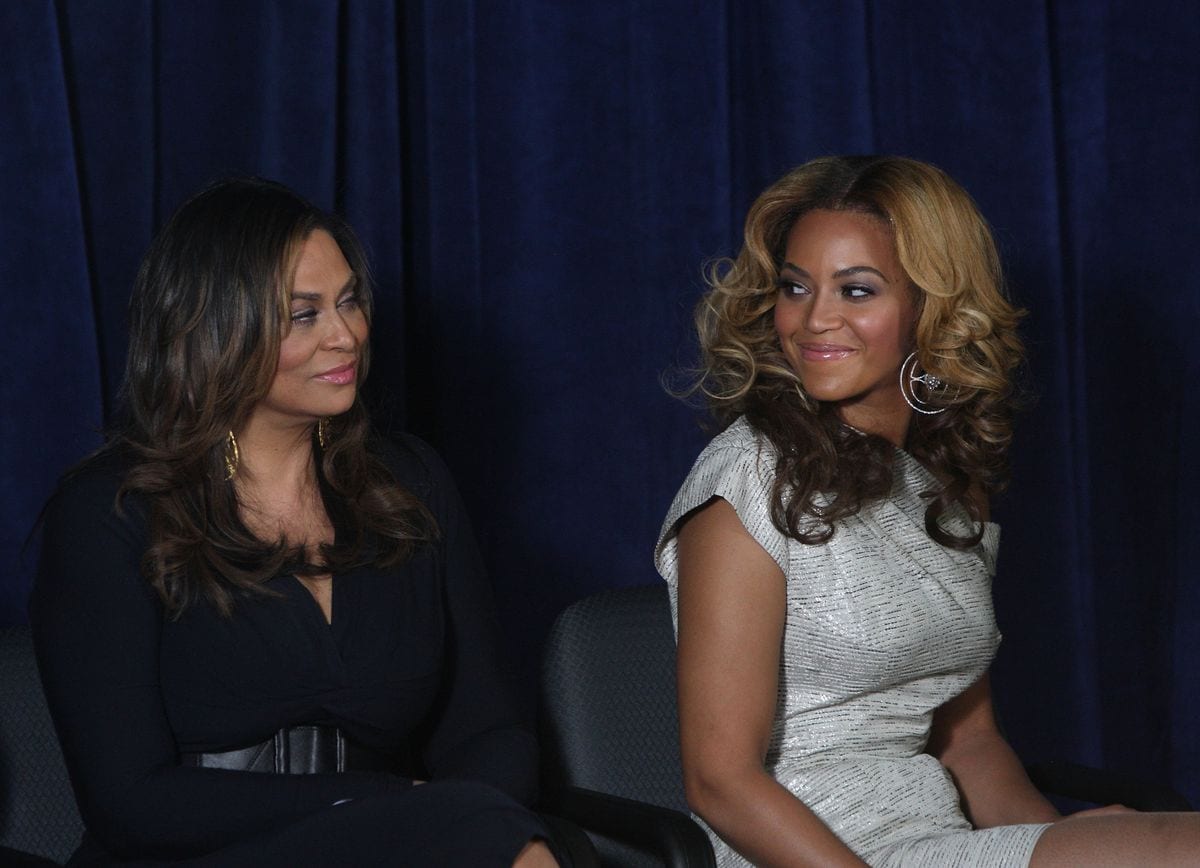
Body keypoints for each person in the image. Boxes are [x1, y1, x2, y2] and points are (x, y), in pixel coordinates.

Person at [654, 155, 1199, 866]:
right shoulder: (747, 481)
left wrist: (1063, 843)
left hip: (936, 842)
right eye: (795, 286)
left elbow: (968, 744)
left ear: (931, 308)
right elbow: (720, 781)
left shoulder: (947, 487)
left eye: (856, 290)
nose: (815, 318)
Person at [32, 178, 559, 867]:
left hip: (403, 840)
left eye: (348, 302)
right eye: (303, 315)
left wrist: (445, 820)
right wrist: (389, 809)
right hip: (190, 855)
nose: (347, 335)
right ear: (215, 329)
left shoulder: (409, 481)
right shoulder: (110, 512)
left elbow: (492, 729)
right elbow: (129, 803)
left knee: (517, 838)